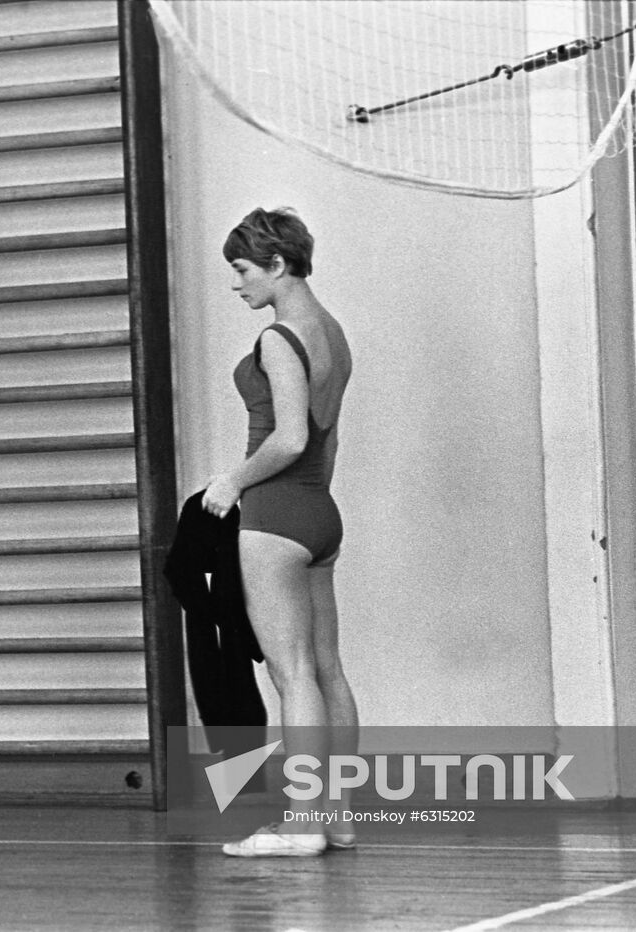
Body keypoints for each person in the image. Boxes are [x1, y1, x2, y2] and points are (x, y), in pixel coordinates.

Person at [203, 208, 359, 857]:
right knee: (327, 671)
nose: (236, 285)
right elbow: (327, 439)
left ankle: (301, 826)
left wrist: (232, 483)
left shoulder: (279, 338)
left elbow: (289, 437)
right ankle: (339, 817)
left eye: (241, 271)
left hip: (275, 519)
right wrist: (309, 501)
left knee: (291, 674)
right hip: (320, 513)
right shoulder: (334, 332)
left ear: (276, 264)